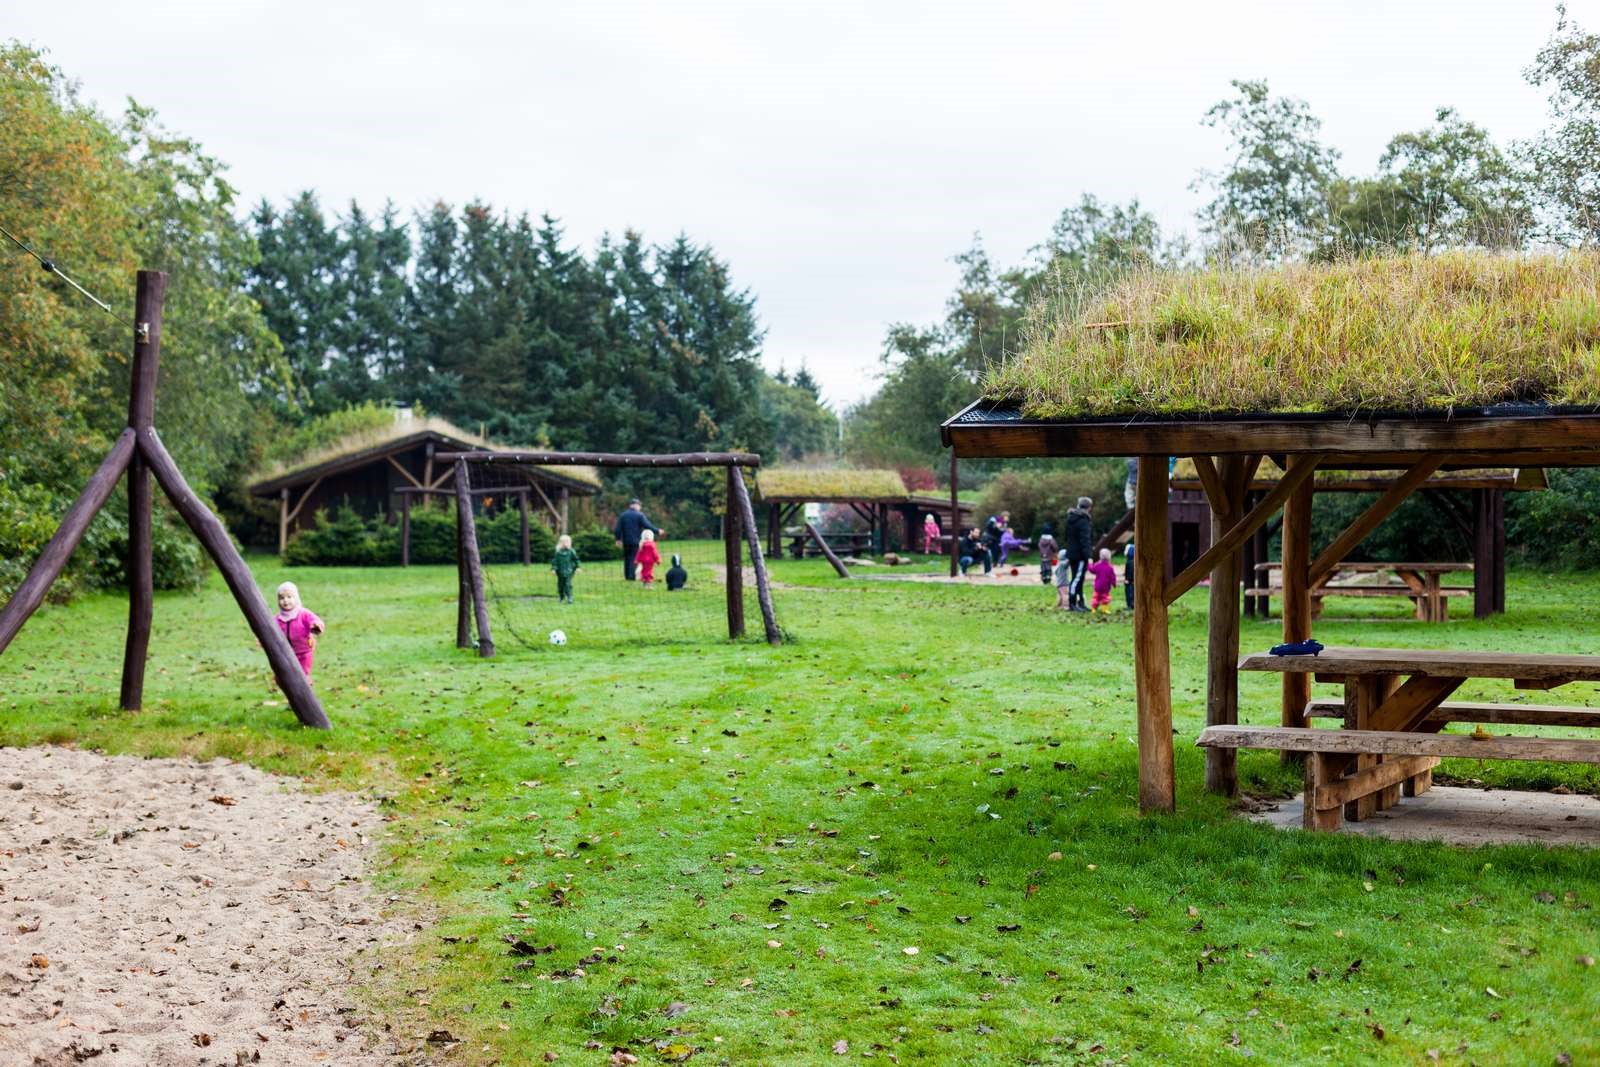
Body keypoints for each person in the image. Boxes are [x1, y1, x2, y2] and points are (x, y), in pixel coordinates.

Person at [274, 581, 325, 680]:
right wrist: (262, 640)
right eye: (282, 598)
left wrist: (316, 625)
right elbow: (270, 632)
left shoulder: (303, 614)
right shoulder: (278, 619)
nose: (285, 601)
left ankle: (305, 686)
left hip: (303, 652)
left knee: (302, 675)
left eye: (289, 597)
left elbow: (314, 620)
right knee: (283, 676)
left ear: (296, 598)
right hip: (285, 653)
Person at [613, 498, 662, 581]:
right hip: (635, 541)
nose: (640, 508)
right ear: (636, 505)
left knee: (627, 558)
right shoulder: (639, 515)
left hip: (626, 541)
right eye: (639, 506)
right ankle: (632, 577)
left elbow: (618, 529)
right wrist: (657, 531)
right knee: (633, 558)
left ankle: (627, 576)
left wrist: (618, 539)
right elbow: (647, 525)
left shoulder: (623, 515)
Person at [1062, 496, 1094, 612]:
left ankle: (1081, 603)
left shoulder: (1070, 518)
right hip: (1080, 555)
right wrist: (1089, 556)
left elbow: (1066, 536)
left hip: (1072, 553)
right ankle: (1072, 603)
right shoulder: (1084, 520)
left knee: (1079, 578)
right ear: (1089, 507)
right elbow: (1085, 540)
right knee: (1077, 579)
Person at [1087, 547, 1118, 614]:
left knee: (1096, 597)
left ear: (1100, 556)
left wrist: (1089, 564)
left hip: (1097, 586)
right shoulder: (1110, 567)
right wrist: (1114, 584)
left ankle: (1094, 609)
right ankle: (1104, 609)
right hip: (1106, 587)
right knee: (1105, 598)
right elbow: (1113, 577)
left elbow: (1092, 570)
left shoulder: (1097, 565)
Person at [551, 534, 581, 603]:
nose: (565, 544)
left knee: (568, 584)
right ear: (560, 543)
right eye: (563, 542)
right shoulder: (558, 553)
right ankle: (561, 596)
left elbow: (576, 559)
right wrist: (553, 569)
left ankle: (569, 597)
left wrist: (578, 567)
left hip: (569, 571)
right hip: (560, 572)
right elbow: (555, 561)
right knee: (560, 585)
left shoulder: (571, 551)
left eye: (567, 542)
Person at [1123, 540, 1135, 610]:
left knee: (1130, 593)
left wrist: (1127, 579)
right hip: (1131, 581)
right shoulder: (1133, 561)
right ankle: (1131, 605)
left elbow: (1130, 571)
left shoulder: (1129, 562)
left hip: (1130, 581)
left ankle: (1130, 605)